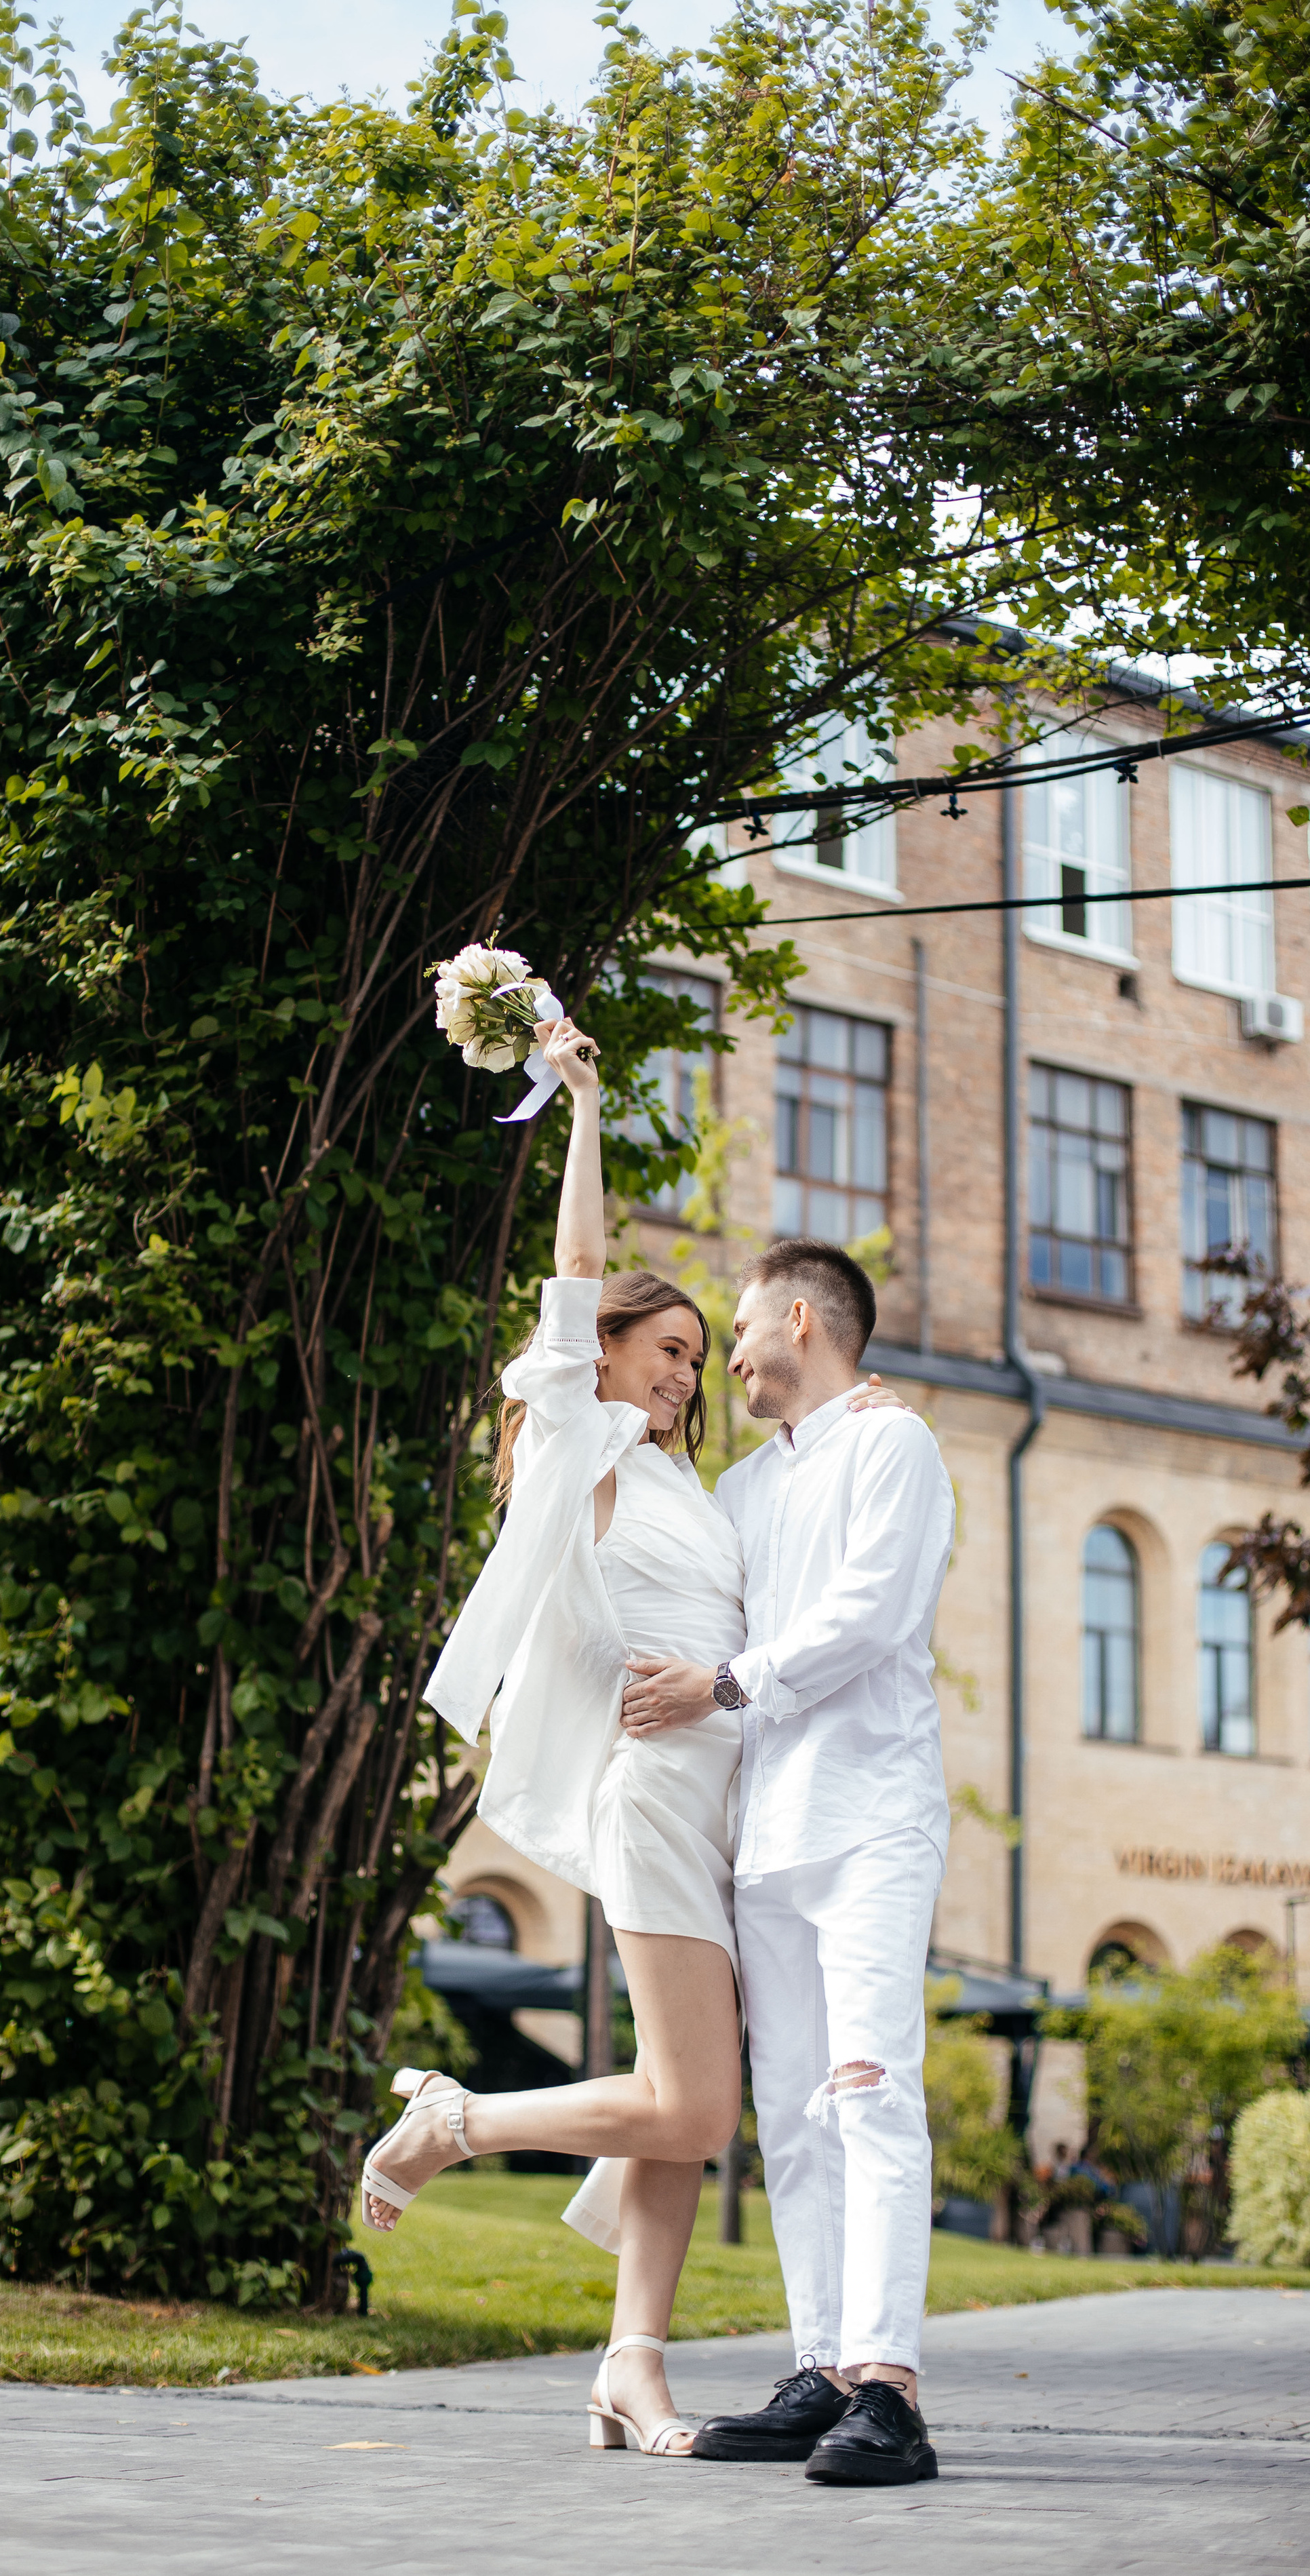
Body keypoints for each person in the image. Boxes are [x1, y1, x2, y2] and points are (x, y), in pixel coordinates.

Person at [361, 1016, 898, 2459]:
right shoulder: (576, 1447)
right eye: (662, 1351)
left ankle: (627, 2367)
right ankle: (454, 2125)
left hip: (732, 1799)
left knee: (684, 2110)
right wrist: (583, 1106)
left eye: (692, 1360)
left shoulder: (691, 1489)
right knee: (693, 2104)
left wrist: (855, 1416)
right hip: (656, 1793)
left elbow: (779, 1578)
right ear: (598, 1356)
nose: (681, 1377)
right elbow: (573, 1270)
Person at [620, 1237, 956, 2486]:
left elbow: (869, 1614)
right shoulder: (749, 1492)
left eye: (742, 1333)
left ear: (802, 1321)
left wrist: (725, 1682)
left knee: (871, 2095)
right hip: (768, 1840)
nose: (730, 1360)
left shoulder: (894, 1445)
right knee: (793, 2117)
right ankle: (822, 2370)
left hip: (870, 1817)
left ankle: (890, 2388)